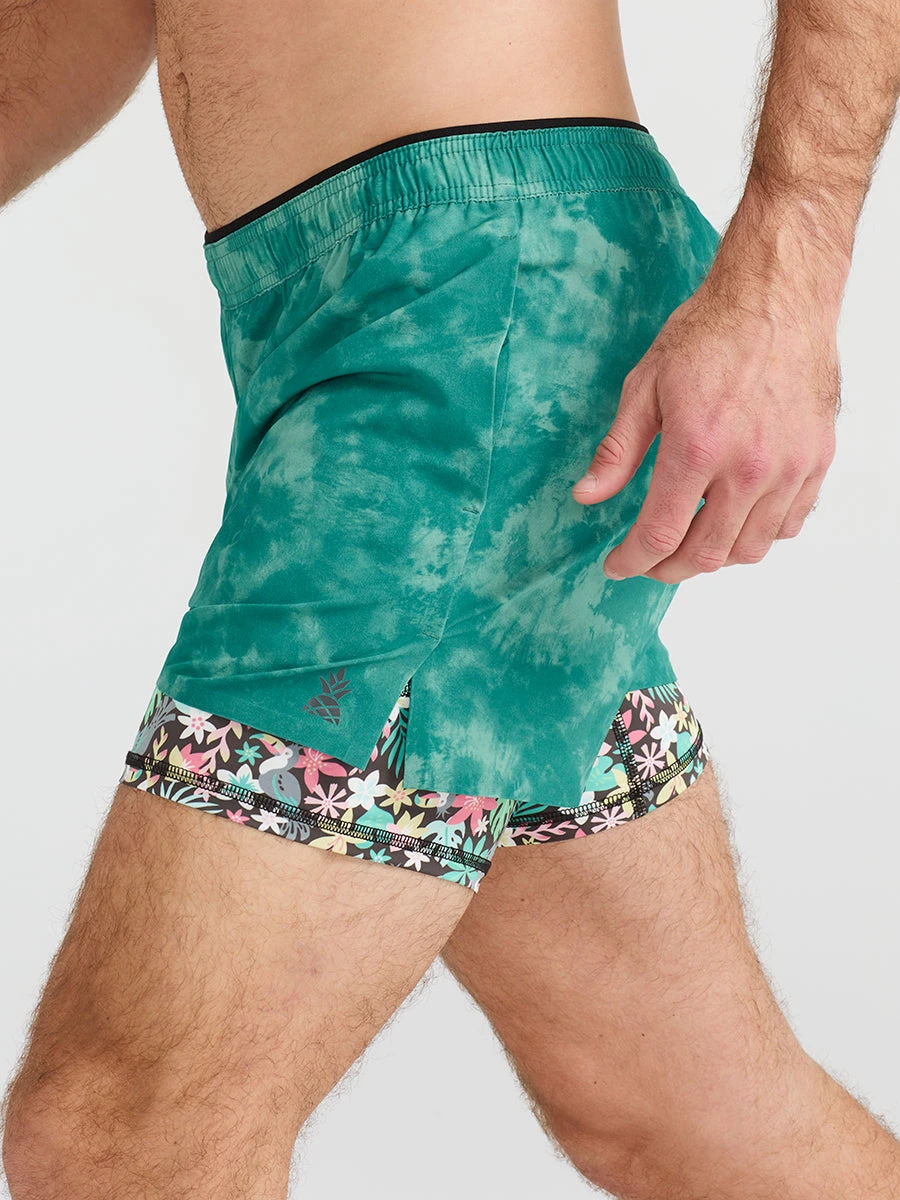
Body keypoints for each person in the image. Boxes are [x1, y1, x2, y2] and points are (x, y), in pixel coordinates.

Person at [1, 0, 898, 1197]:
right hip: (357, 312)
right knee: (673, 1103)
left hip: (477, 314)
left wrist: (789, 274)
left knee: (122, 1137)